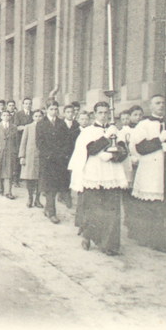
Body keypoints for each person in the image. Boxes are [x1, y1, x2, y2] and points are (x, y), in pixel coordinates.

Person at [128, 94, 166, 252]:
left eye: (163, 103)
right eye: (157, 103)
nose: (161, 105)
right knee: (149, 204)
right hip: (150, 168)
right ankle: (146, 236)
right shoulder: (144, 125)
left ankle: (161, 239)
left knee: (165, 204)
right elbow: (139, 147)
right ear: (151, 106)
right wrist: (158, 140)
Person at [68, 101, 130, 255]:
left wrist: (113, 156)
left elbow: (124, 152)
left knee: (111, 209)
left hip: (112, 173)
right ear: (94, 114)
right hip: (94, 172)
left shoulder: (115, 129)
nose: (103, 116)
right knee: (94, 208)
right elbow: (90, 149)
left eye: (105, 113)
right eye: (100, 113)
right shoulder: (88, 131)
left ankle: (109, 244)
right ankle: (89, 236)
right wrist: (106, 139)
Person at [35, 99, 73, 224]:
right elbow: (39, 143)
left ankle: (48, 209)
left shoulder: (62, 124)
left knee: (55, 186)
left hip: (59, 161)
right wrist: (49, 154)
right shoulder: (41, 124)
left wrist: (62, 154)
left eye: (56, 109)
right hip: (47, 160)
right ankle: (52, 212)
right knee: (49, 187)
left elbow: (67, 141)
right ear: (46, 110)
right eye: (51, 109)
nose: (54, 111)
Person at [18, 108, 45, 208]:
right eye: (36, 116)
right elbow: (23, 142)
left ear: (43, 117)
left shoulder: (45, 127)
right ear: (33, 117)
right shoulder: (28, 127)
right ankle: (30, 198)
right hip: (30, 156)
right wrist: (22, 156)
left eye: (40, 116)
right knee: (30, 178)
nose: (38, 118)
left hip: (41, 157)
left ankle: (37, 199)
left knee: (40, 179)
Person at [0, 109, 18, 199]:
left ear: (10, 117)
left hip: (10, 153)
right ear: (1, 117)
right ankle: (0, 188)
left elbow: (16, 141)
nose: (6, 117)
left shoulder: (14, 127)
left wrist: (16, 152)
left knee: (9, 172)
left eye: (7, 115)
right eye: (4, 115)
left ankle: (8, 192)